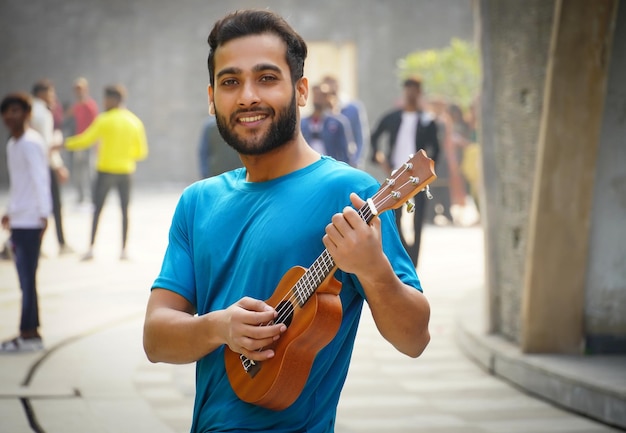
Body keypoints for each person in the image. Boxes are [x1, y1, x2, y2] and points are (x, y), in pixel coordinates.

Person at [143, 9, 430, 433]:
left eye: (266, 78)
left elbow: (414, 338)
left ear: (300, 91)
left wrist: (373, 270)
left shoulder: (350, 194)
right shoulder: (197, 202)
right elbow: (155, 337)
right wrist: (220, 326)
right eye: (230, 82)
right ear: (211, 98)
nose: (247, 97)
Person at [64, 84, 148, 261]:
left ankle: (91, 248)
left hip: (105, 171)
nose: (103, 102)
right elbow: (141, 152)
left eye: (106, 98)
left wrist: (64, 143)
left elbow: (85, 139)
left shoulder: (104, 119)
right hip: (126, 171)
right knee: (125, 210)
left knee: (98, 209)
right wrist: (125, 155)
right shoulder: (134, 121)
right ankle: (124, 250)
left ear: (113, 100)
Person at [0, 93, 52, 353]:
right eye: (7, 111)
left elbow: (39, 179)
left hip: (32, 221)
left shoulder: (32, 143)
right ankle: (29, 331)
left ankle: (30, 333)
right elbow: (19, 183)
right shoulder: (13, 144)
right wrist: (10, 210)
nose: (11, 116)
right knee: (23, 279)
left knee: (28, 278)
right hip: (19, 220)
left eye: (16, 111)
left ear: (27, 114)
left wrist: (44, 214)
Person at [370, 77, 440, 267]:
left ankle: (414, 261)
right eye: (407, 89)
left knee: (418, 218)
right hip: (398, 174)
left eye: (414, 89)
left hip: (419, 175)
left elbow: (436, 148)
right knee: (395, 215)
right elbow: (375, 135)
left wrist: (429, 169)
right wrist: (380, 158)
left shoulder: (427, 120)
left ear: (419, 92)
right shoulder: (393, 117)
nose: (410, 93)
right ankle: (403, 255)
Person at [30, 79, 72, 255]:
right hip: (45, 166)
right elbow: (47, 146)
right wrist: (59, 166)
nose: (53, 97)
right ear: (41, 93)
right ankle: (60, 244)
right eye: (50, 93)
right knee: (53, 205)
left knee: (35, 205)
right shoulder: (43, 114)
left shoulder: (30, 109)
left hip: (32, 166)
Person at [322, 75, 370, 168]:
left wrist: (357, 159)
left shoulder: (353, 108)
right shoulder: (324, 112)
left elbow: (360, 136)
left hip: (349, 159)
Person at [300, 82, 354, 164]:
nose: (318, 98)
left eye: (322, 95)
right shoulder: (303, 123)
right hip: (308, 165)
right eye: (316, 95)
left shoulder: (338, 122)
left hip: (330, 166)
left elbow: (345, 151)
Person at [66, 77, 99, 204]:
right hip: (78, 142)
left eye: (80, 89)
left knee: (90, 171)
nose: (78, 92)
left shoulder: (90, 106)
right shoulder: (76, 107)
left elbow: (96, 125)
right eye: (76, 90)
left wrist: (96, 143)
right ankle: (80, 196)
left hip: (89, 142)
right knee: (78, 170)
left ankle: (93, 197)